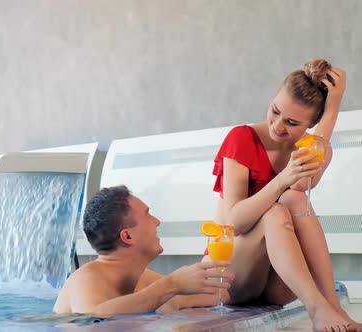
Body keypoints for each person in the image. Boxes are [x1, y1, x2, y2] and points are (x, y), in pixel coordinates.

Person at [209, 59, 360, 332]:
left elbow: (302, 186)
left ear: (311, 123)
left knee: (295, 199)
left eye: (292, 122)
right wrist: (282, 180)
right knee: (278, 208)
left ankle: (331, 307)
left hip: (277, 284)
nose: (278, 125)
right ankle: (318, 308)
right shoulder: (242, 138)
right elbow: (233, 224)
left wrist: (333, 107)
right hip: (228, 274)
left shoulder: (306, 146)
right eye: (275, 111)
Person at [53, 185, 234, 315]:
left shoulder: (143, 279)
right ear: (128, 236)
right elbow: (92, 317)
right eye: (147, 214)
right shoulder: (85, 279)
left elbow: (220, 295)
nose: (157, 221)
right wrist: (172, 285)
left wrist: (177, 296)